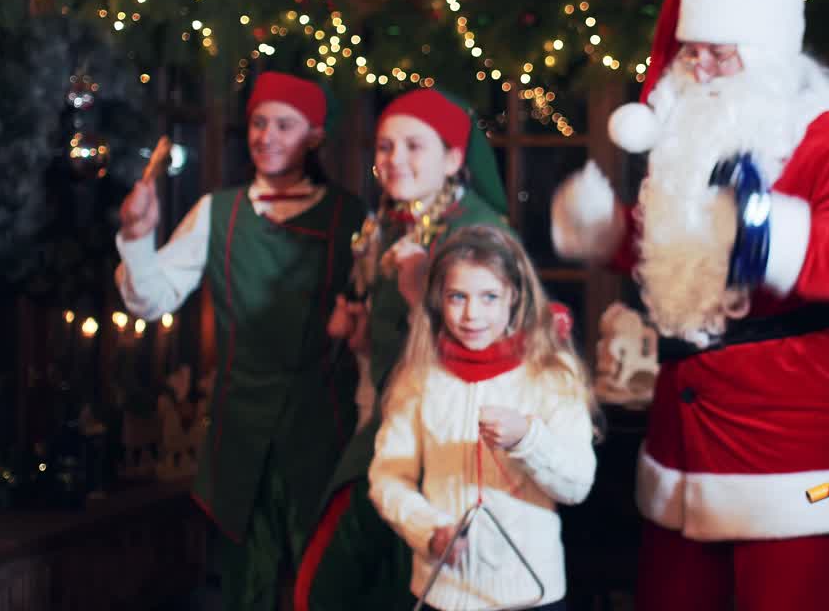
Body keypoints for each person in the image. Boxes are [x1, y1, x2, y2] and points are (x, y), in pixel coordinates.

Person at [551, 0, 829, 609]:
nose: (706, 68)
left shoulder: (824, 137)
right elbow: (692, 252)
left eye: (724, 51)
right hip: (682, 438)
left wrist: (771, 234)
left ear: (771, 53)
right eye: (694, 51)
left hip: (785, 444)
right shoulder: (693, 129)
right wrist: (612, 234)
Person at [114, 71, 366, 609]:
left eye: (284, 124)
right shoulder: (217, 212)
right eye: (258, 122)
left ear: (315, 136)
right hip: (238, 439)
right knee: (243, 591)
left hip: (325, 435)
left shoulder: (352, 219)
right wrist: (137, 238)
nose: (267, 136)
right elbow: (151, 299)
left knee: (325, 590)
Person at [293, 88, 510, 611]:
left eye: (415, 146)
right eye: (386, 147)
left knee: (329, 581)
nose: (395, 160)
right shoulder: (396, 220)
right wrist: (364, 332)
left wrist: (418, 298)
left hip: (440, 439)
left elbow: (488, 355)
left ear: (454, 159)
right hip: (390, 421)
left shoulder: (476, 234)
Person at [367, 225, 597, 611]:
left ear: (514, 297)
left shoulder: (552, 375)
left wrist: (528, 439)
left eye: (489, 297)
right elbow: (388, 477)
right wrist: (430, 531)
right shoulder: (419, 376)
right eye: (458, 297)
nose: (472, 314)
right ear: (439, 300)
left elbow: (577, 485)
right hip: (443, 593)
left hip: (531, 592)